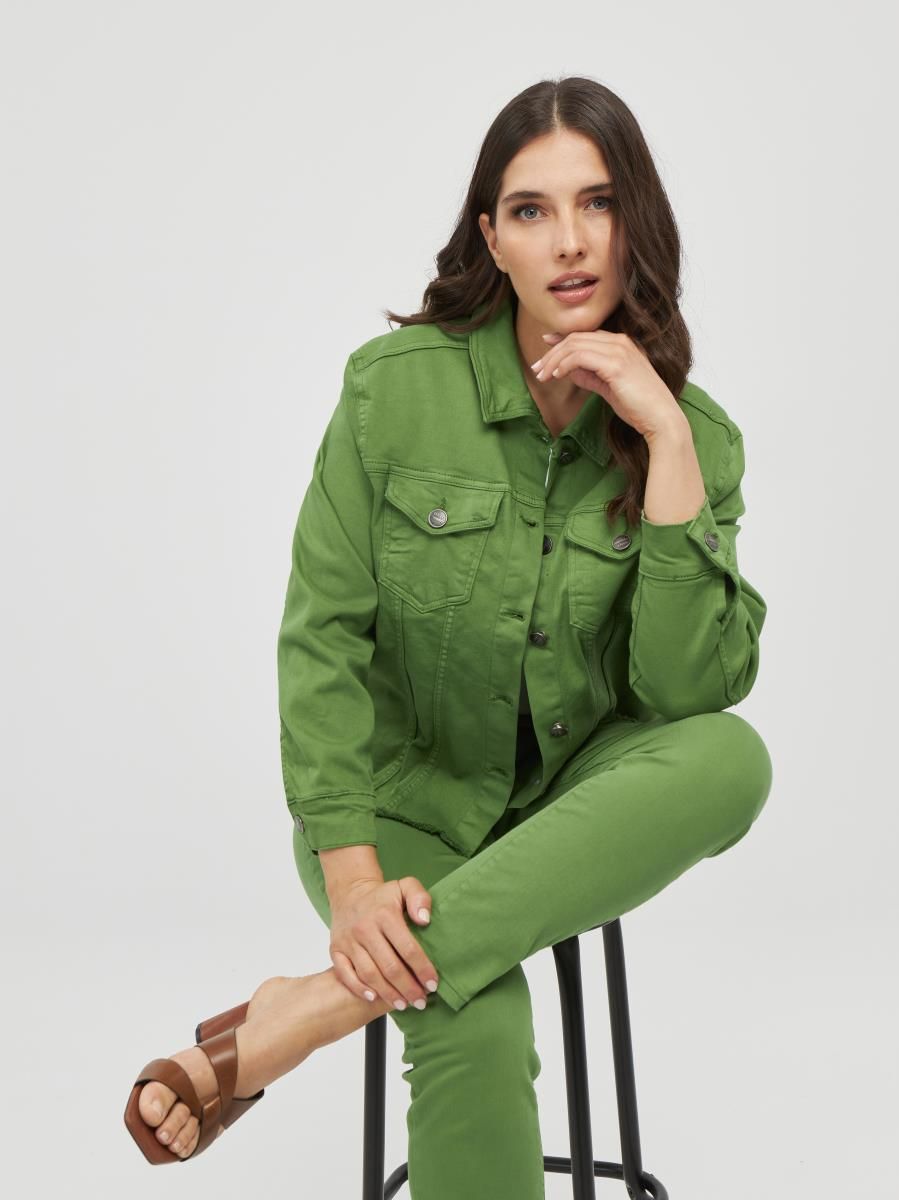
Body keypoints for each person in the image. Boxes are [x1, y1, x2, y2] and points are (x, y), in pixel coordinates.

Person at [124, 75, 774, 1196]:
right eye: (530, 210)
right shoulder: (392, 393)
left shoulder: (696, 438)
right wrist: (354, 885)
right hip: (402, 805)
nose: (569, 242)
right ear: (491, 237)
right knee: (470, 1021)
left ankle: (302, 1015)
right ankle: (352, 985)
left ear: (636, 223)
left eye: (598, 203)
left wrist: (663, 440)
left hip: (574, 809)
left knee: (733, 756)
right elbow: (320, 640)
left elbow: (683, 695)